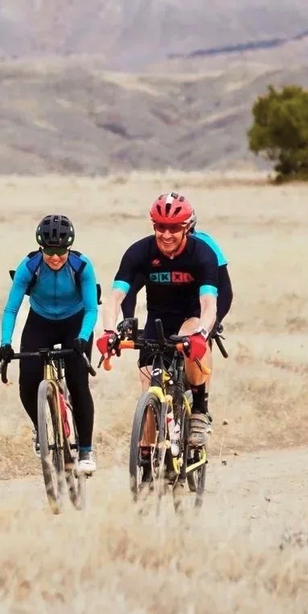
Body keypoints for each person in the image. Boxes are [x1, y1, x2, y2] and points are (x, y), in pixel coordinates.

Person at [97, 192, 223, 448]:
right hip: (158, 319)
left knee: (190, 340)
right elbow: (116, 297)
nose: (166, 235)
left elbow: (210, 303)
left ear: (186, 227)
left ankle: (198, 410)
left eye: (174, 228)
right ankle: (147, 456)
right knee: (149, 390)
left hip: (191, 315)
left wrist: (201, 333)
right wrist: (109, 331)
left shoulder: (202, 254)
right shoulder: (139, 252)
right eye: (160, 227)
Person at [0, 214, 101, 474]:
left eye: (61, 251)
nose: (55, 257)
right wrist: (5, 343)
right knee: (27, 383)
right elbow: (11, 309)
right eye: (50, 251)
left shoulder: (82, 266)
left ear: (69, 247)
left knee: (78, 384)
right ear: (41, 248)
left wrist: (83, 337)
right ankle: (40, 429)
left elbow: (91, 309)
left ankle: (86, 450)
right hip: (40, 322)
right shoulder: (29, 267)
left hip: (74, 323)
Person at [121, 194, 233, 336]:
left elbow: (224, 290)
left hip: (196, 314)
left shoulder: (206, 247)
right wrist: (128, 319)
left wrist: (214, 322)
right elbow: (132, 287)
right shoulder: (156, 249)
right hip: (162, 314)